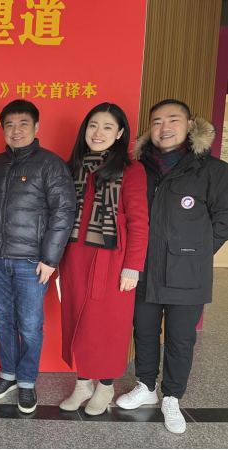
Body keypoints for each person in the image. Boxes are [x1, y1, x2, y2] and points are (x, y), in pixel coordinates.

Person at [116, 100, 228, 434]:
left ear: (190, 125)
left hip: (188, 273)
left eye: (173, 120)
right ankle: (146, 386)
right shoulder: (138, 168)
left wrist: (196, 253)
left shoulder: (213, 170)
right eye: (157, 122)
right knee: (144, 331)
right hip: (144, 269)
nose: (164, 128)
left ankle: (172, 397)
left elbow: (223, 219)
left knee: (180, 339)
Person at [0, 99, 76, 414]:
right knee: (4, 320)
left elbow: (64, 212)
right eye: (9, 124)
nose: (16, 130)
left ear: (36, 127)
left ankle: (26, 381)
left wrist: (50, 259)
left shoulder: (50, 164)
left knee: (30, 324)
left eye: (23, 123)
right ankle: (8, 374)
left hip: (31, 262)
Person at [58, 103, 149, 416]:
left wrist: (133, 267)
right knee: (78, 320)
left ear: (120, 132)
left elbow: (139, 221)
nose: (98, 133)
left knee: (109, 324)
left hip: (113, 259)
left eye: (108, 127)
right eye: (93, 125)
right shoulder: (73, 167)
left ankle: (106, 384)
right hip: (74, 256)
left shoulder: (132, 170)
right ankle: (83, 382)